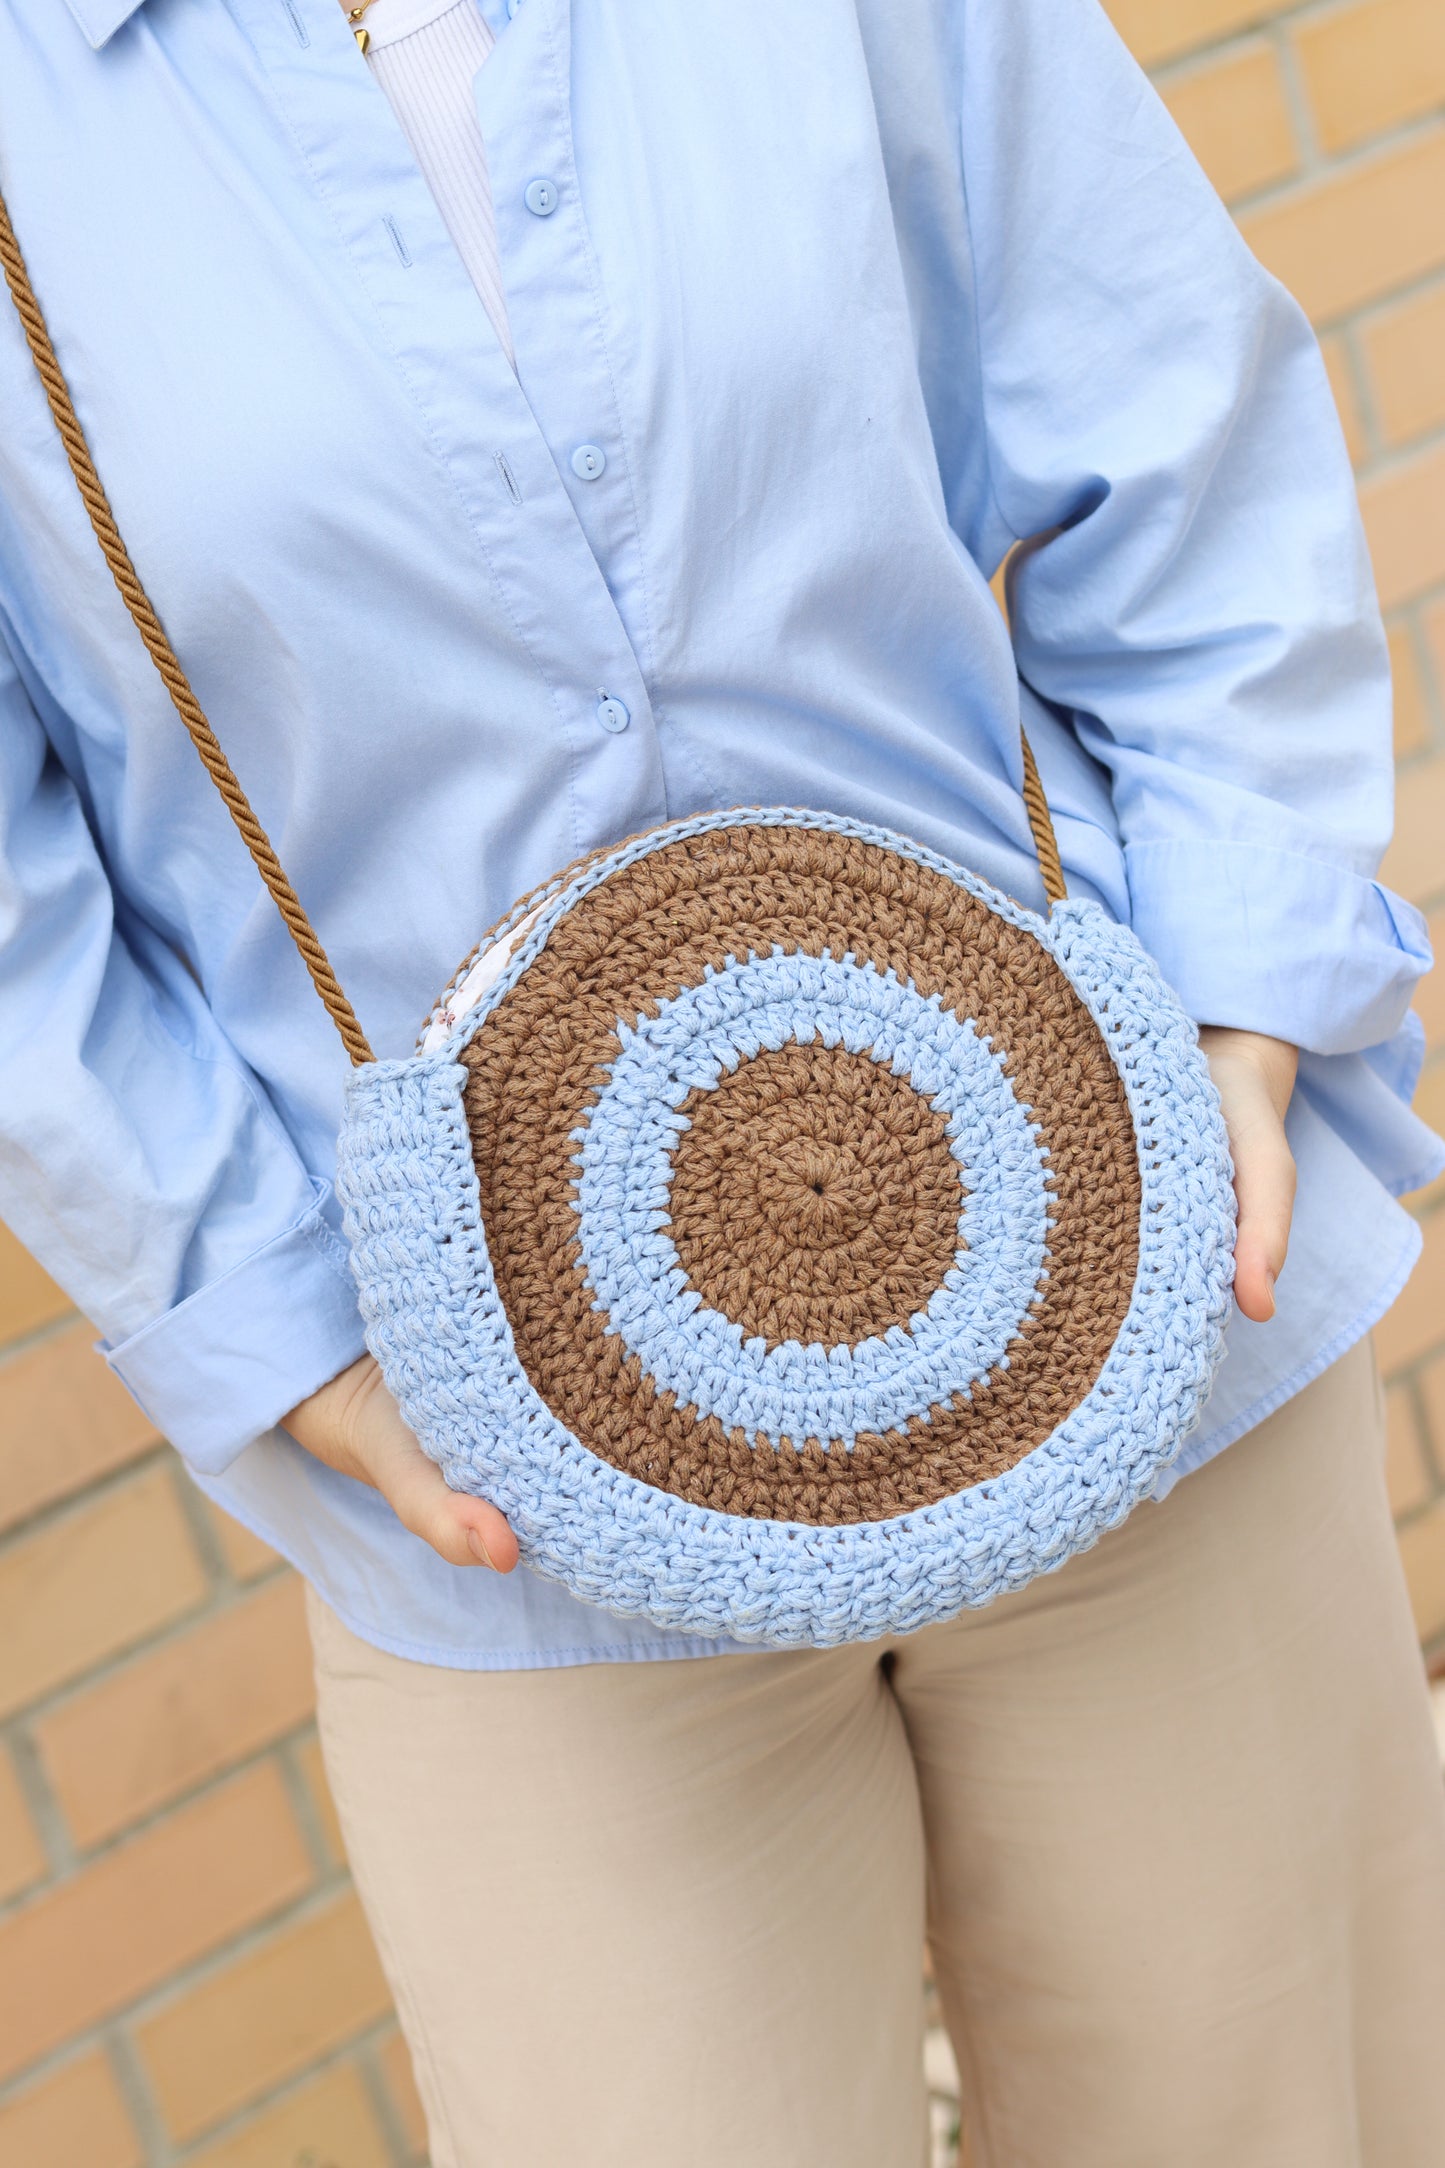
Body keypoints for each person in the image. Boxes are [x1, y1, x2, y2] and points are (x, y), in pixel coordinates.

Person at [2, 0, 1444, 2159]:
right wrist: (279, 1331)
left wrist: (1246, 992)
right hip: (498, 1497)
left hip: (1128, 1292)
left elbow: (1173, 424)